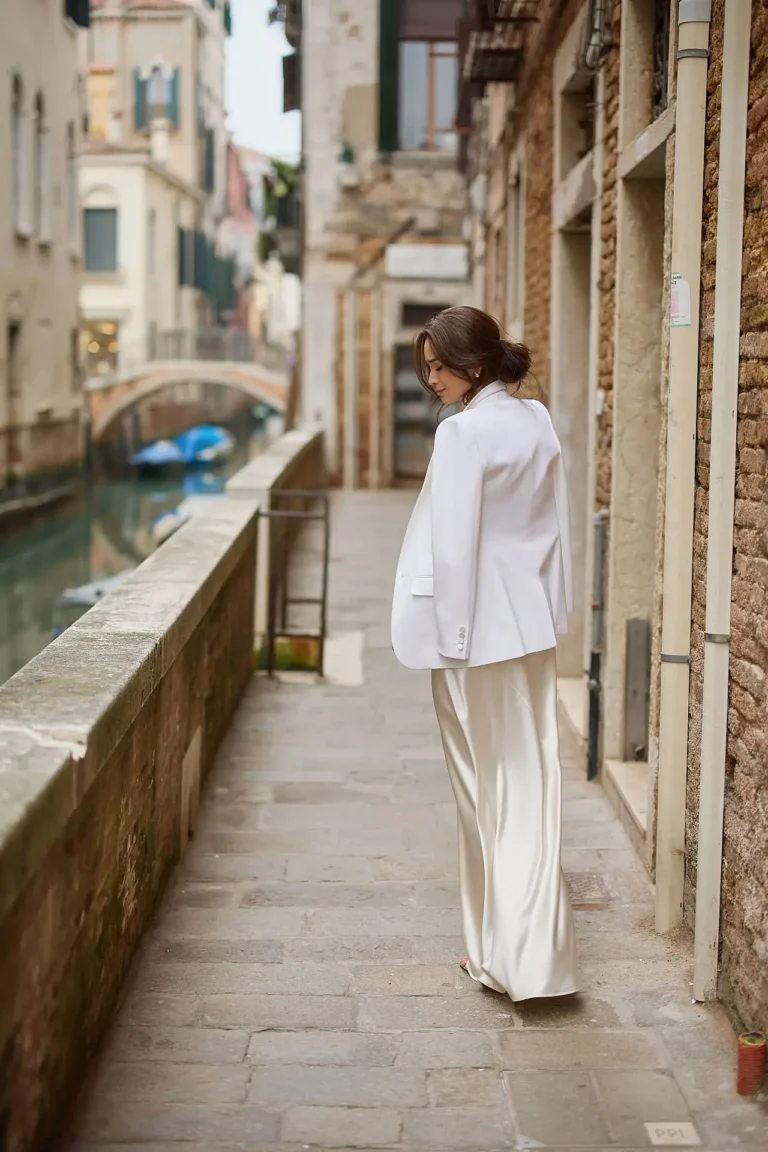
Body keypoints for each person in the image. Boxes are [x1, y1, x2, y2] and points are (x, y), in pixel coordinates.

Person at [391, 305, 580, 1002]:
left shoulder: (463, 434)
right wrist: (557, 609)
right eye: (427, 367)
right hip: (530, 631)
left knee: (481, 795)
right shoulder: (537, 419)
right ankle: (538, 957)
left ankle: (497, 956)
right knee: (531, 787)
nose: (431, 378)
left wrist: (455, 642)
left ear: (472, 364)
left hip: (473, 638)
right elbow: (556, 528)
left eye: (439, 366)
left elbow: (455, 546)